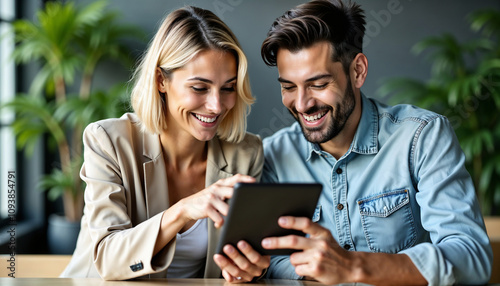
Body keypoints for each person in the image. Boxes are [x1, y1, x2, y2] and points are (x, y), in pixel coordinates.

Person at [256, 0, 493, 285]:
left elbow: (472, 258)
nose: (302, 104)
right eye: (288, 87)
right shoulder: (272, 156)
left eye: (318, 84)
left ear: (357, 71)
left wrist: (354, 267)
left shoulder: (421, 137)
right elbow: (267, 262)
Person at [61, 6, 269, 281]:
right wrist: (182, 211)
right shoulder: (108, 141)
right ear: (161, 80)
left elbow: (243, 259)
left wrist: (250, 268)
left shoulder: (246, 153)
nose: (216, 105)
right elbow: (108, 259)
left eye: (228, 88)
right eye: (199, 88)